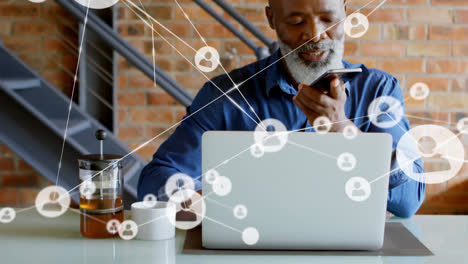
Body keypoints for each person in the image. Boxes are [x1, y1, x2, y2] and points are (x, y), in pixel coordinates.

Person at [138, 0, 425, 218]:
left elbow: (409, 201)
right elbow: (155, 181)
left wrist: (342, 129)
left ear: (346, 14)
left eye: (327, 19)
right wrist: (200, 204)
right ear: (271, 18)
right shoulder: (226, 96)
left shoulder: (379, 90)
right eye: (297, 21)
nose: (314, 35)